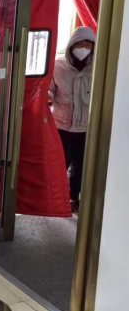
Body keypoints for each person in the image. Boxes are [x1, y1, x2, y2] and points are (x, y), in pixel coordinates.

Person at [48, 26, 95, 214]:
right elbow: (50, 89)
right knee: (60, 162)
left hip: (84, 126)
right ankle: (55, 198)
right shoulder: (57, 66)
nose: (83, 48)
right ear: (71, 45)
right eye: (80, 44)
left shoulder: (97, 67)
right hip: (61, 123)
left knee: (80, 164)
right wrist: (48, 96)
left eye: (88, 45)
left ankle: (72, 197)